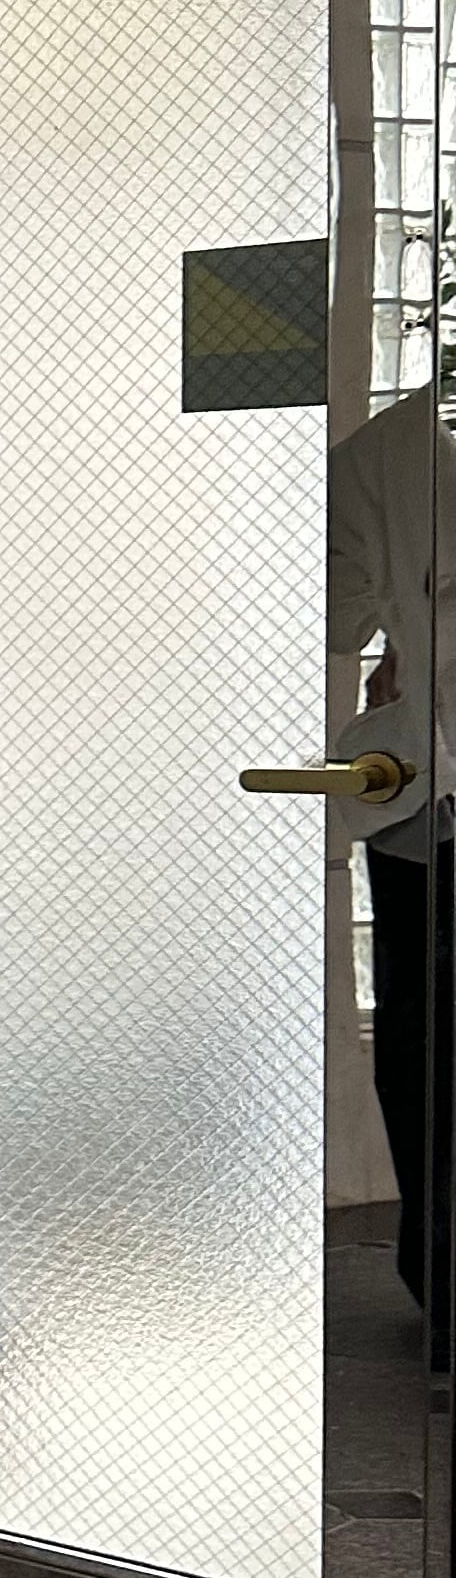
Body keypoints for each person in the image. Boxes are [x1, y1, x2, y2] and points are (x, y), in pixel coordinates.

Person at [328, 369, 456, 1363]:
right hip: (424, 794)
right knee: (422, 1038)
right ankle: (441, 1271)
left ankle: (440, 1271)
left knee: (423, 1037)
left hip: (424, 789)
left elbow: (336, 610)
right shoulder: (391, 455)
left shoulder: (388, 455)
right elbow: (335, 612)